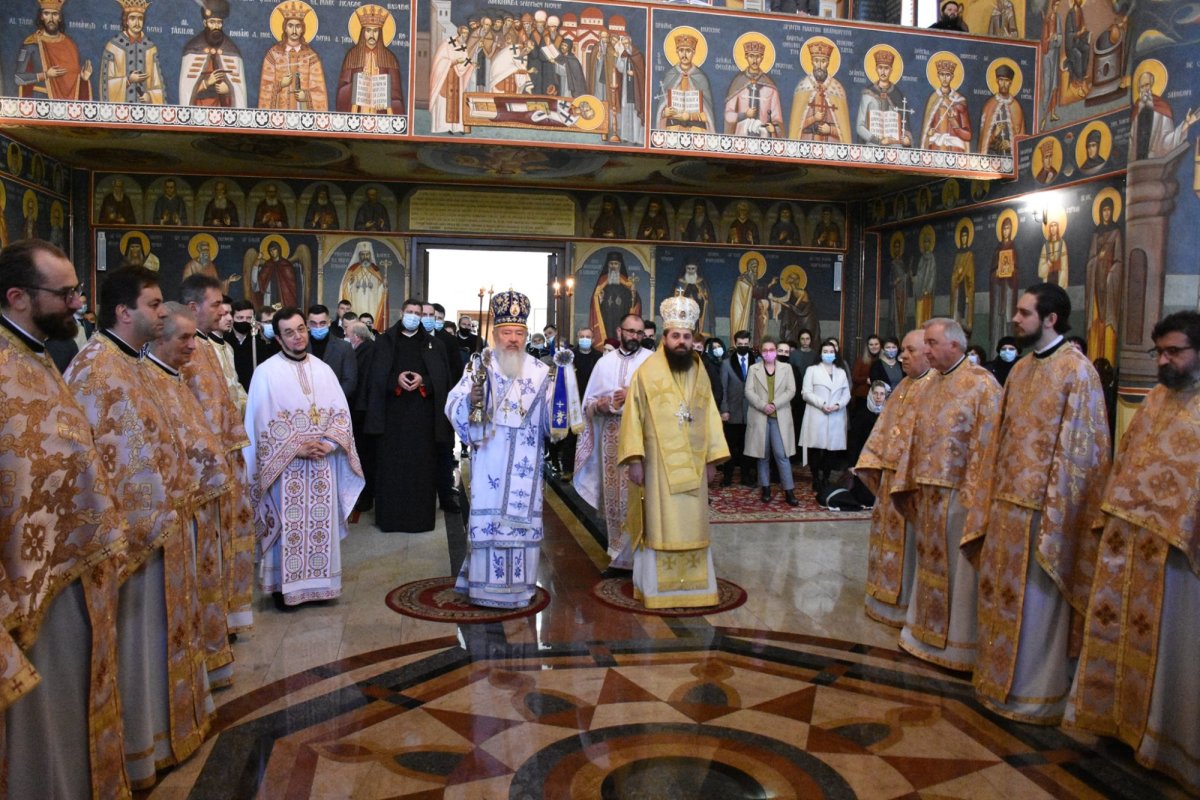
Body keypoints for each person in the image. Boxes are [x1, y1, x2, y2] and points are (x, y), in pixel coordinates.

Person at [66, 267, 214, 789]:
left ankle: (163, 734)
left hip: (165, 529)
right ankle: (139, 750)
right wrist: (157, 511)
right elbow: (105, 458)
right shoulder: (98, 369)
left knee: (159, 641)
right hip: (135, 538)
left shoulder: (138, 366)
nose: (164, 312)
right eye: (154, 305)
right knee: (137, 646)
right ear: (123, 312)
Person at [0, 239, 127, 799]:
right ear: (18, 297)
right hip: (26, 581)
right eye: (67, 292)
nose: (78, 303)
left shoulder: (36, 355)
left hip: (67, 562)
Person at [1066, 311, 1200, 794]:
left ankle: (1172, 745)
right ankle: (1124, 726)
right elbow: (1128, 459)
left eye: (1174, 352)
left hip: (1183, 555)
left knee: (1177, 650)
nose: (1164, 361)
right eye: (1158, 352)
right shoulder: (1158, 398)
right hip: (1134, 545)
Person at [970, 284, 1110, 723]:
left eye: (1024, 312)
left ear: (1050, 318)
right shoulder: (1022, 368)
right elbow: (1001, 437)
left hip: (1045, 513)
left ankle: (1036, 690)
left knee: (1036, 604)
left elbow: (1083, 453)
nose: (1015, 319)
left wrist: (1057, 516)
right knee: (1001, 599)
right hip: (1006, 506)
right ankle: (996, 681)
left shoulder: (1077, 371)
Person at [447, 290, 571, 607]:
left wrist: (561, 404)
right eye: (506, 333)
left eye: (518, 333)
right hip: (490, 460)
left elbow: (550, 425)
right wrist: (470, 402)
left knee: (521, 524)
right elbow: (454, 406)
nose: (513, 339)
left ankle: (520, 589)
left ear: (526, 334)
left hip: (526, 467)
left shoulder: (541, 372)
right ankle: (482, 589)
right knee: (488, 523)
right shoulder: (480, 365)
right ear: (495, 334)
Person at [895, 318, 1001, 672]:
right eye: (923, 343)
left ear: (954, 345)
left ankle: (958, 646)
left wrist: (976, 494)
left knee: (959, 573)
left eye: (931, 343)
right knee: (931, 567)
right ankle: (923, 632)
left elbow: (990, 443)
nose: (925, 350)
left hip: (961, 494)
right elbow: (915, 436)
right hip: (928, 493)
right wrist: (908, 481)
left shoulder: (982, 385)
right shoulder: (930, 385)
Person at [245, 305, 363, 611]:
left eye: (301, 329)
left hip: (322, 465)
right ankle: (285, 588)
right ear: (279, 338)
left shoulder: (323, 370)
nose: (297, 337)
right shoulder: (265, 373)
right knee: (289, 527)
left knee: (321, 527)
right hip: (286, 469)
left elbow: (341, 415)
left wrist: (329, 443)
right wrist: (295, 447)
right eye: (289, 332)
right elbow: (258, 426)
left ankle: (321, 586)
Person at [146, 301, 238, 691]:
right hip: (169, 517)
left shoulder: (175, 376)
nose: (193, 346)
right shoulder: (149, 377)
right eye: (185, 338)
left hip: (196, 506)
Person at [618, 295, 729, 609]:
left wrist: (712, 459)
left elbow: (709, 415)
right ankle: (657, 589)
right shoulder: (647, 372)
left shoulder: (699, 370)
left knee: (693, 523)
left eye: (687, 336)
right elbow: (633, 416)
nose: (682, 342)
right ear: (664, 338)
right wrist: (635, 459)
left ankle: (695, 588)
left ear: (694, 340)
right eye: (675, 336)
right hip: (657, 466)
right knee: (660, 523)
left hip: (694, 466)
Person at [179, 274, 255, 641]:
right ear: (194, 308)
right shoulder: (184, 350)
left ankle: (222, 613)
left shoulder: (211, 347)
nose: (223, 311)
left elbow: (229, 394)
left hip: (225, 462)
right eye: (216, 305)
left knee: (223, 544)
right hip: (202, 472)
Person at [856, 330, 936, 627]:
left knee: (911, 548)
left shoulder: (934, 389)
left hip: (912, 486)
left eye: (908, 350)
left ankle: (907, 605)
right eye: (900, 349)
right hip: (890, 480)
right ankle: (884, 598)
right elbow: (883, 430)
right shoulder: (903, 386)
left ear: (929, 352)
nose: (901, 355)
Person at [364, 298, 452, 532]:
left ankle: (419, 520)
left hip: (422, 419)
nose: (413, 316)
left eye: (418, 312)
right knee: (391, 471)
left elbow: (443, 381)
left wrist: (425, 382)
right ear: (401, 313)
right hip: (392, 418)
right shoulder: (384, 342)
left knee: (421, 471)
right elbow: (374, 377)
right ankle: (390, 520)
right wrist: (396, 380)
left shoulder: (434, 344)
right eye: (410, 311)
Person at [574, 314, 653, 568]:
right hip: (612, 436)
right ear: (619, 331)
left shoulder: (652, 363)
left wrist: (634, 395)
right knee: (615, 498)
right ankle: (619, 556)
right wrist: (603, 403)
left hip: (643, 438)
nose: (635, 337)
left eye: (639, 333)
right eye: (630, 331)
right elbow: (588, 404)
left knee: (642, 495)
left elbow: (663, 402)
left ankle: (643, 554)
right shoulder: (604, 363)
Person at [745, 336, 799, 505]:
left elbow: (791, 390)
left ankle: (789, 490)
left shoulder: (786, 368)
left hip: (779, 416)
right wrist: (763, 405)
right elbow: (748, 391)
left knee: (782, 455)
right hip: (760, 416)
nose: (769, 353)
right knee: (763, 455)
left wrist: (775, 404)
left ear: (776, 351)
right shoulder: (754, 369)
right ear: (761, 352)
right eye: (765, 350)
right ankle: (765, 488)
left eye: (772, 350)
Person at [798, 339, 850, 495]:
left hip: (835, 414)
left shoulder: (840, 372)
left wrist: (837, 405)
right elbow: (806, 393)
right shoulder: (812, 370)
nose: (828, 354)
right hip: (817, 413)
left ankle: (826, 477)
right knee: (816, 449)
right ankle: (816, 478)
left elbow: (846, 393)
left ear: (836, 354)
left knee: (830, 451)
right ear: (820, 353)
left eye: (831, 352)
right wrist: (822, 404)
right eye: (825, 352)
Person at [15, 0, 93, 101]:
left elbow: (73, 82)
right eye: (46, 13)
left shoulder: (70, 45)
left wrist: (83, 78)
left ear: (60, 17)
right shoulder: (31, 43)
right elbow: (18, 78)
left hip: (66, 107)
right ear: (41, 16)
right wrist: (46, 75)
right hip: (41, 101)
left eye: (55, 14)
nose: (51, 19)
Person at [336, 3, 405, 114]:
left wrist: (385, 95)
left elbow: (396, 96)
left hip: (380, 113)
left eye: (375, 31)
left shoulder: (390, 59)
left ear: (380, 33)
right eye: (368, 31)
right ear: (363, 33)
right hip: (358, 113)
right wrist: (356, 86)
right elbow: (341, 92)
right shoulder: (352, 56)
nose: (372, 35)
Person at [179, 0, 247, 107]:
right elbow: (186, 89)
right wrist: (207, 83)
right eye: (212, 22)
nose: (216, 26)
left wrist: (229, 88)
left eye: (219, 22)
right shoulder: (193, 48)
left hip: (224, 110)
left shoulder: (231, 49)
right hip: (200, 108)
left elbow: (239, 89)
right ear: (205, 23)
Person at [101, 0, 165, 103]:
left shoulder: (150, 48)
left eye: (140, 18)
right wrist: (128, 80)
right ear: (126, 21)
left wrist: (150, 97)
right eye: (132, 18)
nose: (137, 23)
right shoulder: (113, 47)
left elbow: (158, 85)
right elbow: (105, 86)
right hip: (121, 112)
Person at [788, 40, 851, 142]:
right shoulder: (803, 88)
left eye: (823, 61)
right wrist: (813, 118)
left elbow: (845, 133)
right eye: (816, 61)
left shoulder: (837, 89)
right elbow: (795, 128)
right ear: (812, 62)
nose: (820, 65)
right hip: (806, 144)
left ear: (828, 63)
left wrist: (830, 129)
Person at [346, 320, 378, 519]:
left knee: (365, 456)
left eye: (347, 333)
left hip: (362, 411)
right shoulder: (368, 349)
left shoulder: (367, 352)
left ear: (356, 336)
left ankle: (365, 496)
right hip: (363, 411)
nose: (345, 337)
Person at [655, 33, 716, 132]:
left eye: (688, 51)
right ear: (677, 52)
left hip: (696, 128)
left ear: (693, 53)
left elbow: (707, 115)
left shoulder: (700, 78)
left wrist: (690, 116)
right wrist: (664, 113)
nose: (684, 54)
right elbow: (662, 107)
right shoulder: (670, 75)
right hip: (673, 127)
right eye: (681, 50)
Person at [723, 39, 784, 138]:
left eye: (758, 56)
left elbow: (777, 119)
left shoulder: (770, 86)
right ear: (746, 57)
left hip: (764, 138)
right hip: (741, 138)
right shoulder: (738, 82)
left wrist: (774, 128)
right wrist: (744, 115)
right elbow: (728, 115)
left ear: (762, 58)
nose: (755, 60)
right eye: (751, 56)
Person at [719, 330, 756, 487]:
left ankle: (746, 476)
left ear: (749, 343)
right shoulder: (727, 363)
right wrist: (724, 410)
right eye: (740, 344)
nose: (743, 346)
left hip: (751, 412)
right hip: (732, 412)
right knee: (730, 446)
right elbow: (723, 388)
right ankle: (727, 476)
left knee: (747, 446)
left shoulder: (757, 362)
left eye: (745, 344)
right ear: (735, 344)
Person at [856, 49, 911, 146]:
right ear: (876, 69)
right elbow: (860, 126)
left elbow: (905, 125)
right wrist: (878, 140)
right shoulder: (868, 94)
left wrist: (906, 138)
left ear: (891, 70)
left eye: (886, 68)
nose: (883, 71)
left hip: (894, 146)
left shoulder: (898, 95)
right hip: (873, 144)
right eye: (880, 67)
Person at [921, 58, 971, 152]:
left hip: (955, 151)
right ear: (938, 76)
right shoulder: (933, 99)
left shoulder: (959, 101)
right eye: (942, 74)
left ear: (952, 77)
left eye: (947, 75)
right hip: (935, 149)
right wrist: (929, 133)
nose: (944, 78)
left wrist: (954, 122)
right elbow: (926, 130)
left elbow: (967, 136)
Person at [308, 304, 357, 399]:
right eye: (313, 323)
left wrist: (334, 400)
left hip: (334, 403)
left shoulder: (344, 347)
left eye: (322, 323)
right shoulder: (300, 346)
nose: (318, 327)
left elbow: (349, 381)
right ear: (307, 324)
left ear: (329, 322)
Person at [977, 64, 1024, 156]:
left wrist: (1011, 145)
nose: (1003, 84)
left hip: (1010, 158)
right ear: (997, 81)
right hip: (991, 156)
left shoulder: (1016, 107)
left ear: (1010, 82)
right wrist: (995, 133)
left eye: (1006, 81)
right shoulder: (989, 105)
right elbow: (983, 140)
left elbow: (1022, 138)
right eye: (1001, 80)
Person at [989, 215, 1020, 349]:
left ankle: (1009, 346)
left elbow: (1017, 271)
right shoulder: (997, 249)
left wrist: (1012, 272)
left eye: (1008, 228)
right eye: (1004, 228)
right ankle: (996, 349)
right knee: (997, 319)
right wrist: (996, 274)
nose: (1005, 231)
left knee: (1008, 318)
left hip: (1008, 290)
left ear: (1011, 230)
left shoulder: (1013, 248)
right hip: (998, 290)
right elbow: (992, 270)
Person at [850, 334, 881, 408]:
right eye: (871, 344)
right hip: (863, 397)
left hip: (880, 397)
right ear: (868, 346)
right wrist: (866, 380)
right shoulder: (861, 360)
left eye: (876, 344)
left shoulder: (884, 360)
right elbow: (854, 377)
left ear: (880, 345)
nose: (874, 346)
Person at [1037, 219, 1068, 286]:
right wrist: (1047, 264)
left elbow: (1064, 267)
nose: (1053, 228)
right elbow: (1040, 271)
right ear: (1049, 229)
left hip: (1059, 277)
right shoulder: (1045, 246)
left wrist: (1060, 285)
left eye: (1055, 225)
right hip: (1048, 278)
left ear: (1057, 227)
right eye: (1051, 226)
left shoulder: (1062, 244)